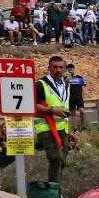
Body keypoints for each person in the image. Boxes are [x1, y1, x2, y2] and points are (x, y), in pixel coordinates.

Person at [34, 55, 72, 187]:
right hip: (46, 128)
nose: (58, 70)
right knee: (55, 159)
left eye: (61, 67)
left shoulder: (66, 84)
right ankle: (53, 190)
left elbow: (64, 106)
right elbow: (33, 105)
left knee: (62, 161)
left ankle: (56, 188)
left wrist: (70, 131)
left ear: (65, 69)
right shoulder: (41, 84)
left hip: (62, 128)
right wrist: (52, 110)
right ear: (49, 68)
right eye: (55, 67)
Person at [66, 63, 86, 131]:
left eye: (71, 68)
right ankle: (75, 129)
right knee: (73, 114)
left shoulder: (79, 77)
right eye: (69, 69)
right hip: (71, 98)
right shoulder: (66, 78)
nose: (70, 70)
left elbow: (84, 87)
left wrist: (83, 96)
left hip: (79, 98)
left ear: (74, 69)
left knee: (82, 112)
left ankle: (83, 127)